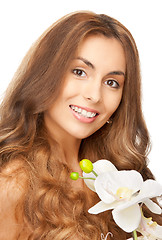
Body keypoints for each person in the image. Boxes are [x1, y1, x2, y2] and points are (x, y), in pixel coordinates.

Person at [0, 11, 161, 240]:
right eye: (79, 72)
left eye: (111, 82)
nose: (95, 95)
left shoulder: (119, 175)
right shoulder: (13, 185)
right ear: (45, 74)